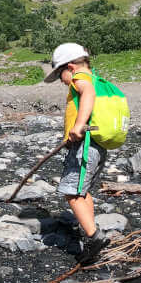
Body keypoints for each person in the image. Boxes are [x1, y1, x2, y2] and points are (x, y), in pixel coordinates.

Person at [44, 42, 110, 264]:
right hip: (96, 146)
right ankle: (91, 232)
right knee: (82, 192)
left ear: (70, 67)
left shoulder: (80, 79)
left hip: (84, 145)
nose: (62, 81)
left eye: (60, 74)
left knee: (71, 192)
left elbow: (88, 94)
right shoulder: (95, 78)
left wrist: (79, 124)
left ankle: (95, 237)